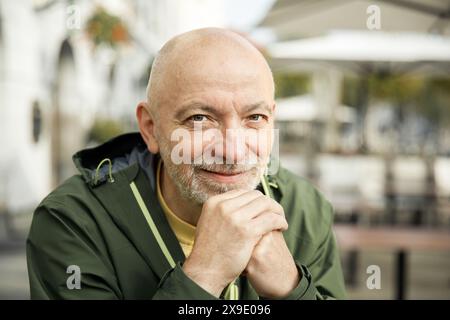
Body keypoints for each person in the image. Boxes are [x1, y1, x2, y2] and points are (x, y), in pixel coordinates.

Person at [26, 28, 346, 299]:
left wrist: (293, 288)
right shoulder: (74, 222)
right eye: (199, 118)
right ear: (151, 128)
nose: (233, 152)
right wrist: (205, 274)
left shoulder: (306, 209)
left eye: (255, 117)